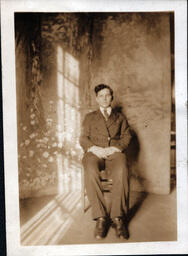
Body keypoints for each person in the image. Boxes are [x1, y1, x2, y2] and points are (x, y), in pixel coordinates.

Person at [79, 84, 132, 240]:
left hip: (113, 152)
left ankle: (118, 217)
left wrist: (116, 148)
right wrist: (94, 148)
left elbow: (127, 136)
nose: (104, 98)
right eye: (101, 96)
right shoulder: (89, 117)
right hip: (95, 152)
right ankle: (100, 218)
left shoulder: (120, 117)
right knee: (90, 168)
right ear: (97, 99)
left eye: (107, 95)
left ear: (112, 97)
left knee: (122, 167)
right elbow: (83, 138)